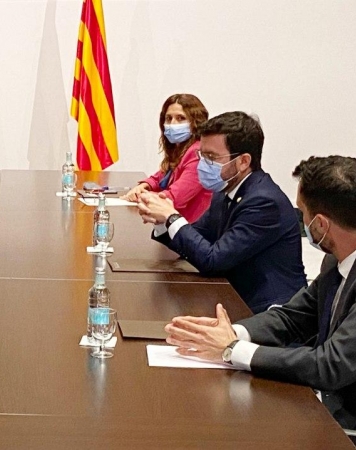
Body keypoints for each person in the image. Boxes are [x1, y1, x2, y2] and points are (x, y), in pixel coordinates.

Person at [164, 155, 356, 428]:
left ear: (321, 224)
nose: (299, 219)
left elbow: (329, 365)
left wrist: (233, 350)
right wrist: (230, 332)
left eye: (301, 213)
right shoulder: (335, 260)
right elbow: (293, 317)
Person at [138, 111, 306, 313]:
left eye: (211, 157)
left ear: (243, 161)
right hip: (229, 295)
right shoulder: (224, 190)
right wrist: (161, 220)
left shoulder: (263, 202)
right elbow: (197, 238)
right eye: (202, 155)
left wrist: (172, 217)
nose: (202, 164)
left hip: (266, 312)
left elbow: (213, 260)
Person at [122, 94, 212, 223]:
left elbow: (174, 198)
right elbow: (162, 176)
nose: (172, 124)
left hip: (192, 229)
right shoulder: (180, 148)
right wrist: (145, 185)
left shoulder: (197, 153)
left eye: (180, 118)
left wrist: (140, 196)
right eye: (168, 118)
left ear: (195, 122)